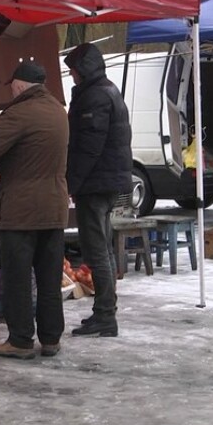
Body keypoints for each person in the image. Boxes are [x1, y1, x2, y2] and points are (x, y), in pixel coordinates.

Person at [0, 61, 69, 359]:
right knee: (49, 278)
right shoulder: (57, 111)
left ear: (18, 85)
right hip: (53, 207)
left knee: (17, 278)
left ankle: (20, 340)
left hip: (21, 210)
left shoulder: (18, 113)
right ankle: (51, 339)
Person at [64, 43, 133, 338]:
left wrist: (71, 183)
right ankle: (105, 311)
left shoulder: (94, 97)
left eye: (73, 71)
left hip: (96, 183)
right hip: (106, 181)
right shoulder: (107, 90)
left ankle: (105, 314)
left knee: (97, 250)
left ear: (83, 70)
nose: (72, 77)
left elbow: (89, 148)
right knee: (102, 246)